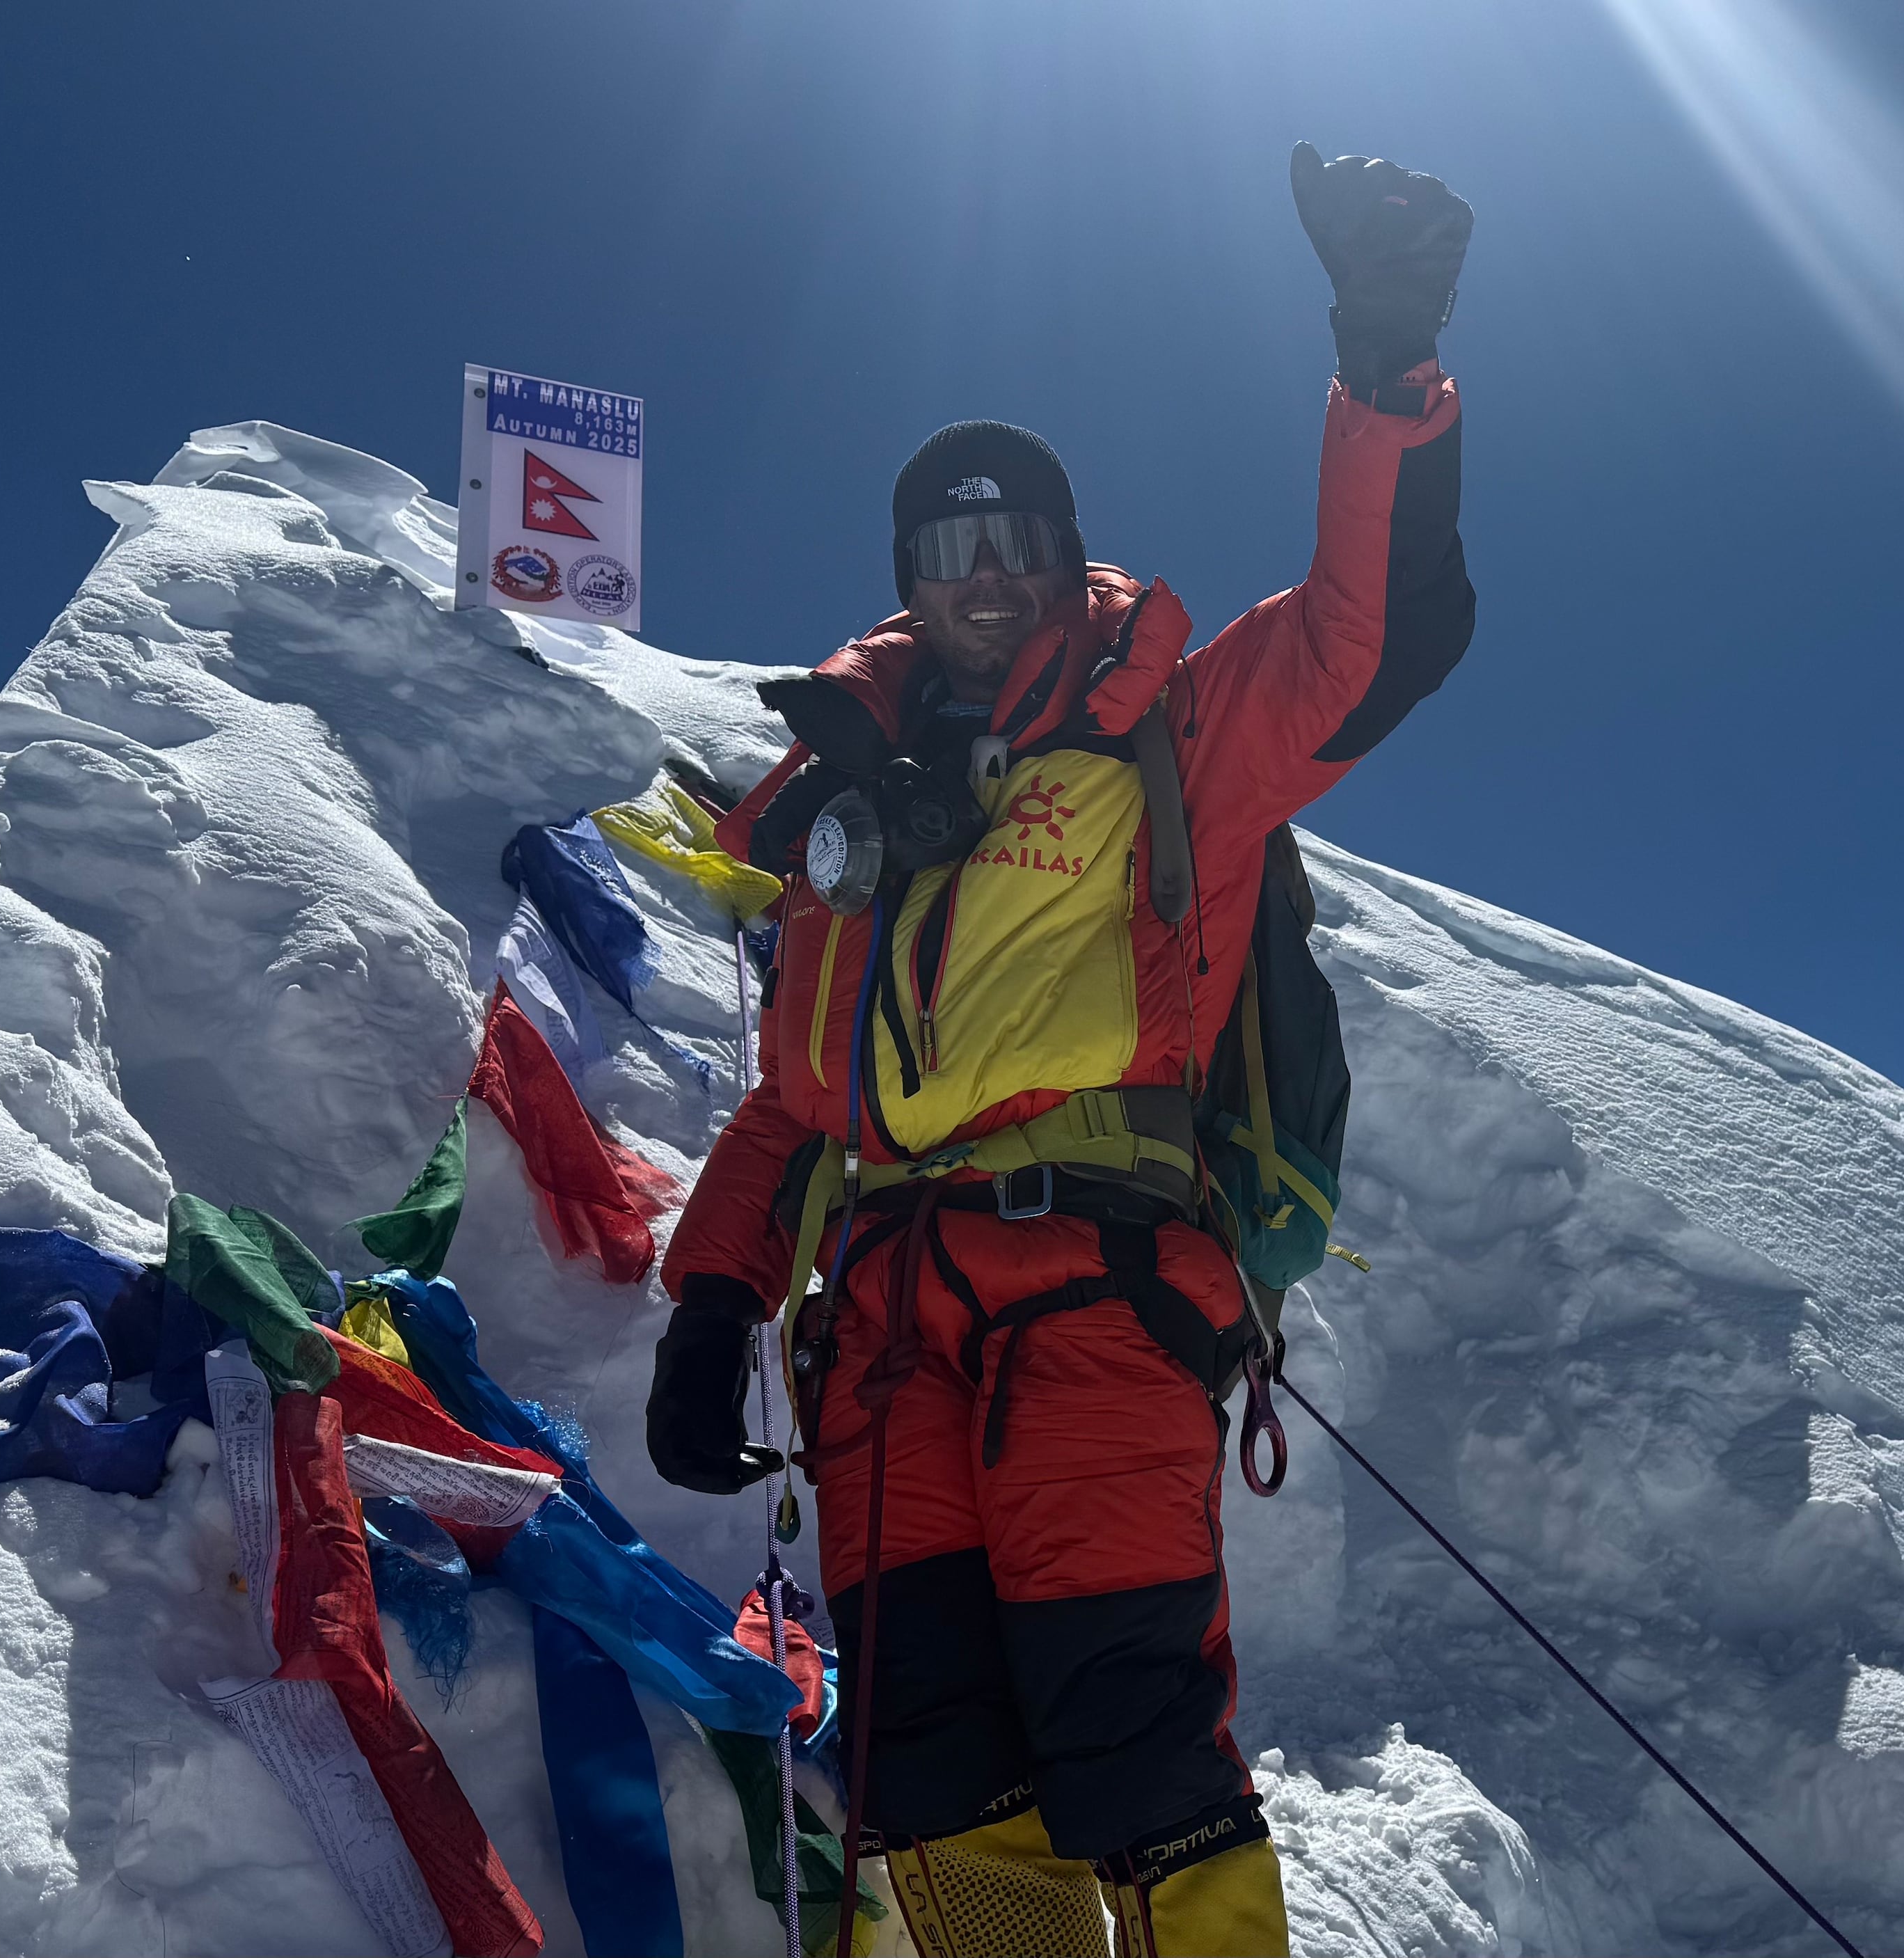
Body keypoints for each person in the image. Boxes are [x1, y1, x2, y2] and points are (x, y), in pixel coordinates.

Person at [644, 143, 1473, 1958]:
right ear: (909, 582)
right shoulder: (840, 820)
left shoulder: (1167, 731)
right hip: (877, 1321)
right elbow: (796, 1109)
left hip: (1093, 1281)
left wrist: (1389, 375)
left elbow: (1372, 637)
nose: (988, 577)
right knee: (935, 1772)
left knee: (1130, 1738)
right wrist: (713, 1310)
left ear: (1064, 555)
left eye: (1020, 538)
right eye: (951, 549)